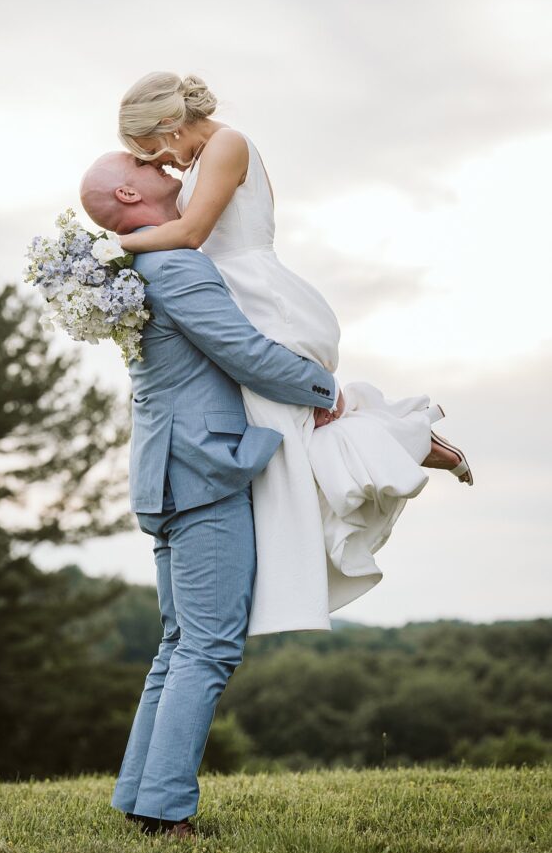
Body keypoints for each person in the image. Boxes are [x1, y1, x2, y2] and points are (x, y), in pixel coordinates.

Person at [115, 71, 473, 636]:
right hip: (233, 299)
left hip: (261, 300)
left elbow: (191, 232)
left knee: (290, 435)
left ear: (168, 122)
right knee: (286, 441)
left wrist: (112, 249)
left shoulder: (228, 144)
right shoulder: (206, 154)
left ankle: (406, 438)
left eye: (155, 149)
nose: (164, 164)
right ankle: (392, 439)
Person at [79, 149, 339, 836]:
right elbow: (241, 350)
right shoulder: (174, 264)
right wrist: (325, 389)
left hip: (164, 473)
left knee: (179, 642)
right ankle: (166, 814)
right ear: (128, 195)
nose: (160, 161)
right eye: (139, 161)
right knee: (209, 647)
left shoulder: (135, 267)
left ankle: (141, 798)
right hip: (202, 474)